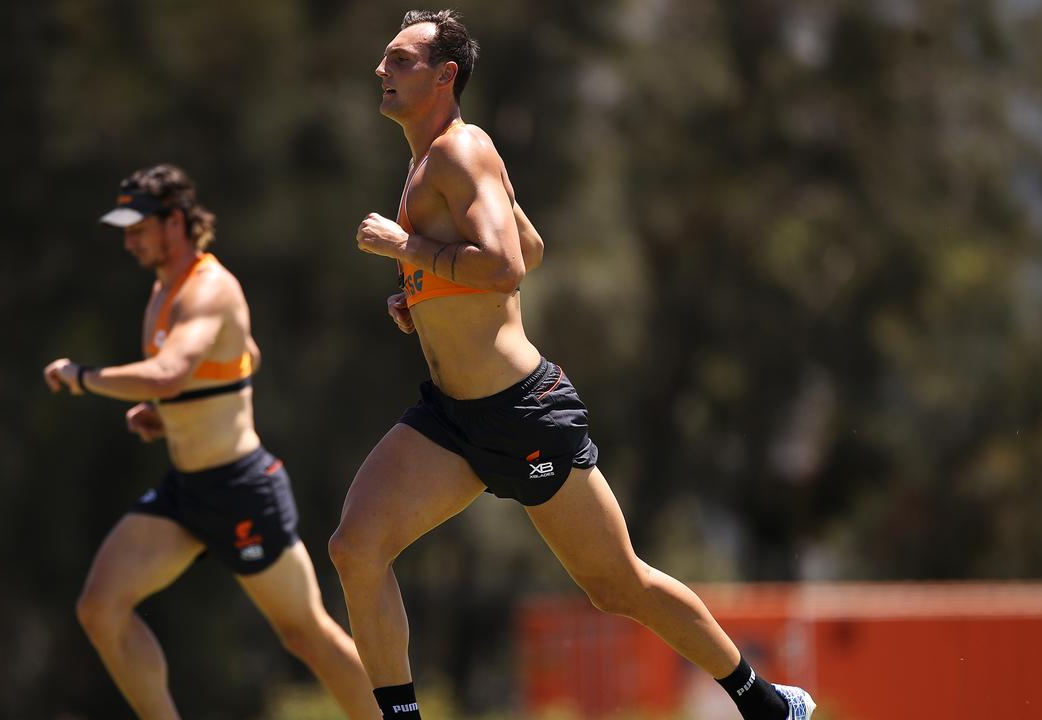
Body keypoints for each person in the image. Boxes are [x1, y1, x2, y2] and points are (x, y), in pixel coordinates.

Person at [328, 11, 816, 720]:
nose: (382, 71)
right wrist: (425, 294)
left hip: (522, 413)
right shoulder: (431, 157)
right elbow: (529, 244)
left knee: (617, 586)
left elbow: (505, 269)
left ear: (444, 77)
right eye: (385, 59)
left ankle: (766, 702)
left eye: (399, 60)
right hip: (451, 418)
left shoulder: (459, 153)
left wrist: (408, 251)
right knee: (355, 547)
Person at [42, 164, 379, 720]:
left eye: (137, 228)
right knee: (100, 609)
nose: (129, 242)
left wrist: (83, 376)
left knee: (305, 634)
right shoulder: (162, 290)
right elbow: (243, 354)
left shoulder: (209, 287)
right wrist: (170, 413)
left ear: (174, 222)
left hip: (242, 487)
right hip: (186, 491)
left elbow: (171, 371)